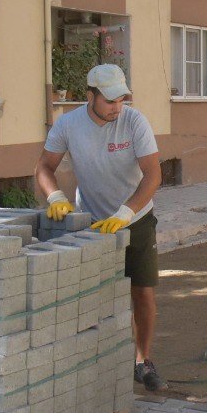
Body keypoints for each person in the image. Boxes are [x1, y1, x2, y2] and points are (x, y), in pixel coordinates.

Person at [35, 64, 166, 390]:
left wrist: (126, 212)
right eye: (109, 101)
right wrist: (54, 197)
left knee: (143, 293)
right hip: (92, 223)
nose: (116, 107)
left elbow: (153, 175)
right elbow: (45, 166)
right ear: (90, 95)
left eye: (121, 99)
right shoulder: (68, 124)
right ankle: (96, 361)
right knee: (93, 294)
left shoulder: (134, 121)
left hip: (135, 220)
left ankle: (142, 361)